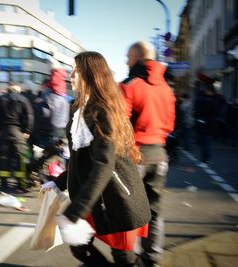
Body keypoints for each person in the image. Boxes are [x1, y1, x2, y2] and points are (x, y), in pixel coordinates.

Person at [44, 51, 151, 267]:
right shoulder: (78, 107)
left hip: (117, 197)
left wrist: (74, 212)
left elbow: (103, 164)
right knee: (80, 248)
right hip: (94, 196)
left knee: (124, 258)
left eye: (76, 71)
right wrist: (58, 183)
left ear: (92, 75)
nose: (70, 76)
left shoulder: (103, 110)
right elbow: (80, 159)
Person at [120, 41, 176, 267]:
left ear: (137, 58)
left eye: (128, 56)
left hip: (135, 155)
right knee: (154, 209)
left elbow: (119, 123)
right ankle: (152, 258)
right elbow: (170, 125)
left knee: (130, 211)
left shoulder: (130, 85)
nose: (126, 61)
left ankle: (130, 259)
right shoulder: (167, 88)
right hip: (159, 155)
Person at [0, 83, 34, 191]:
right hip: (18, 132)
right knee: (19, 158)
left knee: (4, 157)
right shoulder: (23, 99)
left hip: (3, 131)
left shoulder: (0, 99)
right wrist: (27, 130)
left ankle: (3, 183)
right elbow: (29, 116)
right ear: (18, 90)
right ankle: (20, 184)